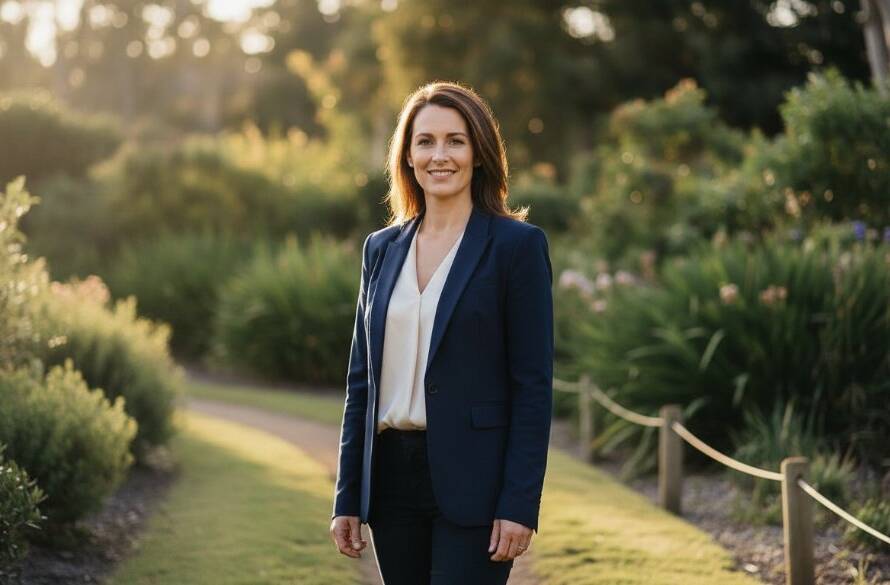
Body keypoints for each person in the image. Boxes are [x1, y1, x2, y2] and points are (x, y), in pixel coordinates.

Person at [329, 80, 554, 585]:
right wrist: (347, 496)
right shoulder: (380, 249)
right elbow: (361, 384)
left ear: (479, 152)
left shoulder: (516, 247)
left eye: (455, 141)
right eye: (425, 141)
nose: (440, 155)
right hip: (390, 483)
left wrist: (519, 503)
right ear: (407, 156)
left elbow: (533, 388)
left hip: (476, 482)